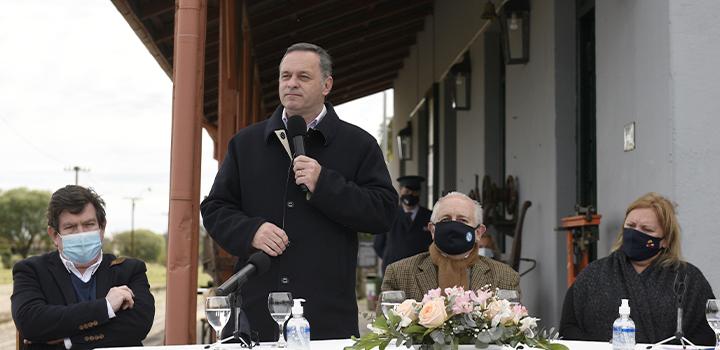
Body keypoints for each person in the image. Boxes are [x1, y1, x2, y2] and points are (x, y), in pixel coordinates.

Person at [200, 42, 397, 341]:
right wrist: (251, 231)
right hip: (257, 314)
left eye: (303, 77)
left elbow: (383, 212)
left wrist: (325, 184)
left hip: (328, 315)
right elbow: (215, 207)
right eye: (285, 76)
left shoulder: (358, 144)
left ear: (326, 84)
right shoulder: (246, 144)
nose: (291, 83)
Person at [559, 192, 715, 345]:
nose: (635, 234)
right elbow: (569, 327)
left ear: (665, 240)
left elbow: (708, 330)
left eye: (647, 229)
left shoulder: (687, 278)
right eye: (631, 226)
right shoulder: (593, 274)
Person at [11, 185, 155, 349]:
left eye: (89, 224)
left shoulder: (130, 271)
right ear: (54, 235)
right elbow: (31, 323)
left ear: (102, 228)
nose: (81, 233)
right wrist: (106, 307)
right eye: (70, 227)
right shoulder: (31, 271)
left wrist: (68, 341)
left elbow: (138, 326)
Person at [381, 192, 519, 302]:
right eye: (445, 220)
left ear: (478, 233)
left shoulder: (505, 277)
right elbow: (385, 332)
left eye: (462, 220)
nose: (453, 227)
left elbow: (513, 332)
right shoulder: (398, 274)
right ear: (433, 230)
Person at [373, 175, 433, 273]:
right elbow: (378, 244)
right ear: (400, 191)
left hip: (420, 271)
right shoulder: (389, 214)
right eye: (407, 191)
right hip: (393, 270)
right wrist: (390, 257)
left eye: (415, 192)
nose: (411, 195)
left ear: (419, 193)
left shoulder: (429, 217)